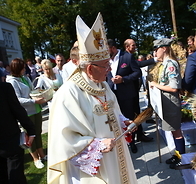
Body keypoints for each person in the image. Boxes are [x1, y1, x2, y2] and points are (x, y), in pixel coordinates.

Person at [47, 13, 137, 184]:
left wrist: (122, 121)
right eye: (105, 65)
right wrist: (97, 145)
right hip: (92, 169)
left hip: (116, 156)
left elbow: (112, 113)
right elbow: (64, 139)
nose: (110, 69)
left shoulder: (103, 86)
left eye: (109, 63)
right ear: (89, 69)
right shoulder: (68, 94)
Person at [107, 39, 152, 154]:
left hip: (127, 94)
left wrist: (123, 80)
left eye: (107, 50)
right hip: (113, 95)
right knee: (118, 118)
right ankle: (126, 141)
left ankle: (133, 141)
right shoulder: (106, 60)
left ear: (112, 48)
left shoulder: (126, 57)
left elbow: (137, 73)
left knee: (129, 117)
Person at [149, 38, 185, 169]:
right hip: (165, 102)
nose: (155, 53)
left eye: (156, 50)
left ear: (164, 49)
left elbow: (174, 87)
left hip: (171, 102)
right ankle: (177, 154)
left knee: (176, 131)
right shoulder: (164, 64)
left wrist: (156, 85)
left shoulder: (171, 64)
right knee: (172, 131)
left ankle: (182, 156)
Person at [6, 58, 47, 169]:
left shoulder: (25, 78)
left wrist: (38, 93)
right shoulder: (12, 81)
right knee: (30, 136)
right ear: (17, 69)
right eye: (23, 68)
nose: (25, 69)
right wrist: (34, 101)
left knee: (37, 133)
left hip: (36, 109)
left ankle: (42, 154)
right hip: (26, 113)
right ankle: (35, 158)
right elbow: (17, 99)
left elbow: (32, 90)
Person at [0, 82, 35, 184]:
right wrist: (31, 131)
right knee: (16, 176)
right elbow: (17, 110)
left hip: (10, 139)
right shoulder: (4, 87)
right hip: (10, 140)